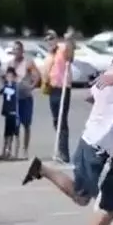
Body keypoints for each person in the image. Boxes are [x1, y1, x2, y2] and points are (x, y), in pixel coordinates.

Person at [22, 35, 113, 225]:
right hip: (99, 153)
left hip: (87, 144)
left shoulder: (109, 73)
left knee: (81, 196)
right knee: (109, 208)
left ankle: (42, 169)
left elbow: (89, 96)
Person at [41, 29, 75, 163]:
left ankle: (64, 152)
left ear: (56, 39)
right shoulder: (49, 55)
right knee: (56, 119)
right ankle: (60, 149)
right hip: (52, 89)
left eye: (51, 38)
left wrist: (69, 40)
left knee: (62, 119)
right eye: (47, 39)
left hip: (63, 87)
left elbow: (70, 57)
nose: (50, 41)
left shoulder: (62, 49)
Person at [7, 41, 40, 159]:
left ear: (22, 51)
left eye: (18, 49)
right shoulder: (10, 63)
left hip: (26, 98)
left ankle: (25, 150)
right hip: (14, 99)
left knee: (26, 124)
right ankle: (15, 151)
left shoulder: (28, 62)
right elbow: (8, 78)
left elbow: (37, 75)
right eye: (14, 49)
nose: (16, 51)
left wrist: (31, 86)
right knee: (15, 125)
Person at [0, 67, 20, 160]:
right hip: (7, 113)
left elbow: (6, 90)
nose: (9, 78)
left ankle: (13, 153)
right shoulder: (7, 86)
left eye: (11, 76)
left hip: (14, 113)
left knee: (13, 134)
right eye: (8, 76)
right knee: (6, 134)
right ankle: (4, 152)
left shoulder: (15, 87)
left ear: (14, 77)